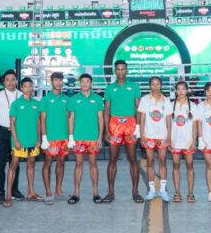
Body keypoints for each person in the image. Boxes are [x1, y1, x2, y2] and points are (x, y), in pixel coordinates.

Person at [104, 60, 143, 204]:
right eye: (118, 69)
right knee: (112, 159)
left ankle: (135, 192)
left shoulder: (134, 87)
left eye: (123, 69)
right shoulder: (109, 88)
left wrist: (138, 128)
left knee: (133, 159)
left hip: (130, 125)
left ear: (126, 70)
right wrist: (107, 130)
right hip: (114, 125)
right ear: (115, 71)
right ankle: (110, 193)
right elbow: (107, 110)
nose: (120, 71)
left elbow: (138, 109)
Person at [4, 77, 42, 207]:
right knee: (13, 166)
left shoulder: (36, 104)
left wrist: (39, 139)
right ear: (21, 88)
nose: (28, 88)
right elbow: (12, 123)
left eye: (30, 86)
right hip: (19, 142)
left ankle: (31, 193)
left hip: (32, 141)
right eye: (25, 86)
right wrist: (16, 140)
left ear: (32, 87)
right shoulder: (16, 104)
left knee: (31, 165)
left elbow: (38, 122)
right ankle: (8, 195)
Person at [67, 73, 104, 204]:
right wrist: (71, 137)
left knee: (93, 163)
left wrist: (100, 137)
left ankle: (96, 193)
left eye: (87, 81)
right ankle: (76, 193)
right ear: (79, 83)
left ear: (91, 83)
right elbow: (71, 118)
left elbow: (101, 119)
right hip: (78, 138)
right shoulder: (73, 99)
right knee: (78, 164)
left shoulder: (98, 99)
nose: (84, 84)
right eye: (82, 81)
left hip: (93, 138)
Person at [0, 70, 23, 203]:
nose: (10, 82)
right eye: (7, 80)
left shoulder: (21, 95)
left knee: (16, 163)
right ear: (4, 82)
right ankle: (0, 192)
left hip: (17, 134)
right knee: (0, 163)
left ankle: (14, 190)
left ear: (16, 81)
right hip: (2, 132)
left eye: (13, 79)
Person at [138, 76, 172, 202]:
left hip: (162, 136)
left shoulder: (166, 101)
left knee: (163, 162)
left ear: (161, 85)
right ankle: (151, 190)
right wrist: (142, 134)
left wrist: (169, 135)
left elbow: (169, 119)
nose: (155, 86)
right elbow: (142, 118)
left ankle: (163, 190)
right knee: (150, 162)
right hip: (149, 136)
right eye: (153, 84)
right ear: (150, 86)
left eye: (158, 84)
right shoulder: (145, 100)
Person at [38, 71, 70, 204]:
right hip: (50, 138)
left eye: (60, 80)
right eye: (55, 80)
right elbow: (42, 120)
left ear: (63, 82)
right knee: (48, 163)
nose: (58, 82)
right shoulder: (45, 100)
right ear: (51, 82)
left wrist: (70, 137)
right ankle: (48, 193)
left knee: (61, 163)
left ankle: (58, 191)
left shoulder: (67, 99)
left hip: (64, 138)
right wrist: (44, 138)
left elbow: (69, 118)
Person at [168, 80, 197, 203]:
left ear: (187, 90)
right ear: (175, 91)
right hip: (175, 142)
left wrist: (193, 141)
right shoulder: (170, 105)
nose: (181, 91)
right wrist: (169, 140)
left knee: (190, 166)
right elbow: (168, 124)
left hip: (188, 142)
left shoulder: (193, 106)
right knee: (176, 166)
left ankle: (191, 193)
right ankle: (177, 192)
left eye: (183, 89)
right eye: (178, 89)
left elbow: (195, 125)